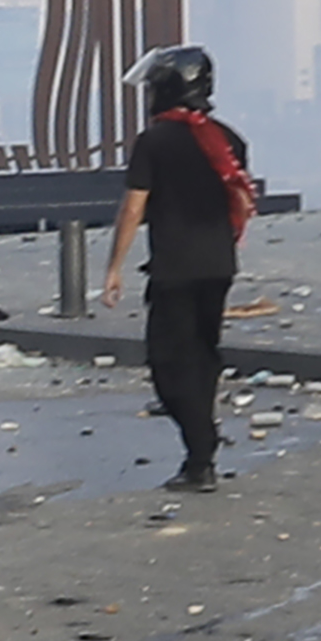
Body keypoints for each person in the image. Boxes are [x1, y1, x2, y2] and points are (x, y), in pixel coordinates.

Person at [104, 45, 252, 496]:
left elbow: (133, 208)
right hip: (219, 265)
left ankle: (201, 449)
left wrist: (114, 267)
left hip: (175, 267)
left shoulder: (155, 142)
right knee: (203, 357)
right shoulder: (230, 139)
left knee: (167, 365)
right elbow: (241, 203)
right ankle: (200, 459)